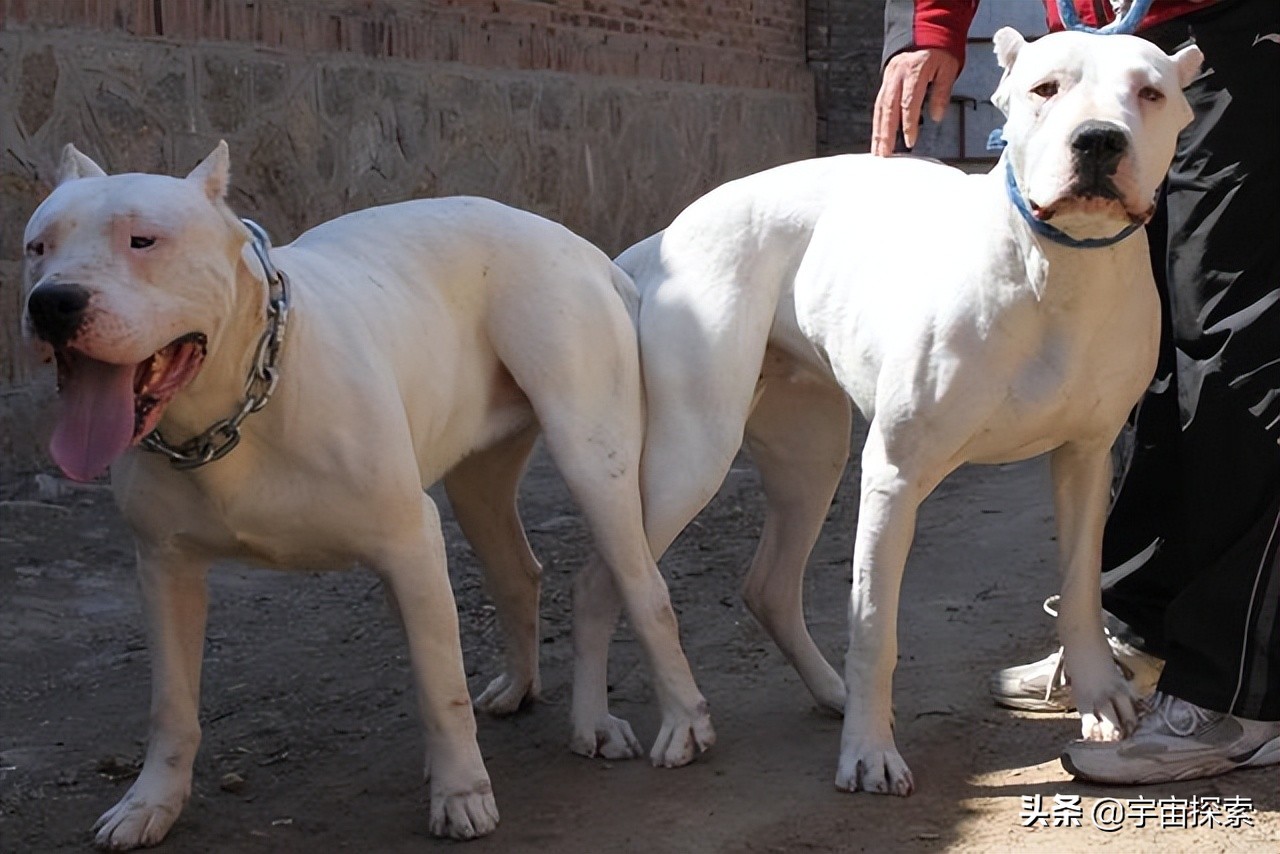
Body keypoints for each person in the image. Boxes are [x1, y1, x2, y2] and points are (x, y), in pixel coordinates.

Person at [874, 0, 1280, 784]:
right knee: (1134, 350)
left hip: (1240, 32)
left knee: (1232, 343)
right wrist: (931, 24)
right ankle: (1139, 634)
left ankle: (1236, 693)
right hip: (1115, 37)